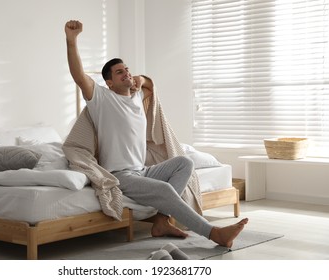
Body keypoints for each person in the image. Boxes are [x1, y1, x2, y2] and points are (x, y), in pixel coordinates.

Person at [64, 20, 248, 248]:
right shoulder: (102, 99)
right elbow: (78, 75)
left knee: (184, 163)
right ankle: (213, 233)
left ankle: (161, 221)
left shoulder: (137, 96)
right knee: (164, 190)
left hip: (143, 170)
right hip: (121, 175)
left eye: (127, 70)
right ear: (109, 82)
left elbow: (150, 84)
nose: (126, 74)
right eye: (119, 72)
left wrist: (142, 79)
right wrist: (72, 41)